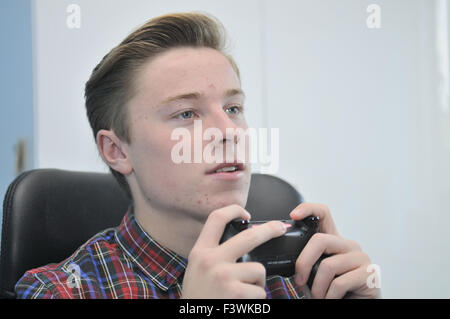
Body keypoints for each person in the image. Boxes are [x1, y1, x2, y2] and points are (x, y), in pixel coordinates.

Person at [15, 12, 380, 299]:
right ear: (117, 150)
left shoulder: (294, 277)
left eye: (233, 108)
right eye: (186, 114)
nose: (229, 131)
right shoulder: (58, 291)